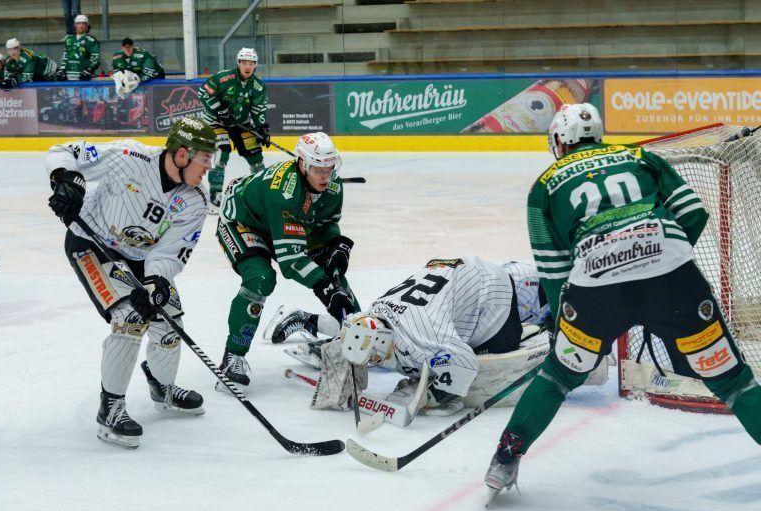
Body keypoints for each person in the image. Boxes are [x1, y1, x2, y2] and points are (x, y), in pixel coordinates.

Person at [484, 103, 761, 502]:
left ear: (559, 141)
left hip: (597, 293)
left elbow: (554, 270)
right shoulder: (639, 156)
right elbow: (693, 212)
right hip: (672, 281)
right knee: (733, 382)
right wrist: (662, 258)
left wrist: (564, 325)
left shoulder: (545, 184)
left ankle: (505, 458)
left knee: (557, 378)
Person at [45, 117, 217, 449]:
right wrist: (66, 179)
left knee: (170, 320)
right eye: (204, 159)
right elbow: (63, 150)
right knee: (130, 318)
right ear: (182, 155)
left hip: (141, 259)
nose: (208, 168)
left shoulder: (196, 198)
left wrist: (155, 283)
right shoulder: (129, 157)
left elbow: (170, 252)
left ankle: (163, 388)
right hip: (92, 245)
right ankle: (110, 409)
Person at [271, 257, 552, 414]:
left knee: (499, 351)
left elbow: (466, 365)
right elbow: (352, 329)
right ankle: (307, 319)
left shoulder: (425, 334)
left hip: (493, 288)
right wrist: (340, 359)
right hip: (455, 273)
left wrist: (430, 396)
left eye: (374, 358)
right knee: (406, 355)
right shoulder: (372, 317)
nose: (374, 362)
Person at [214, 132, 358, 392]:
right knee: (260, 278)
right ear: (302, 164)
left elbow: (327, 224)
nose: (325, 176)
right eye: (318, 170)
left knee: (337, 286)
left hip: (283, 222)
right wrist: (326, 288)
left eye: (329, 168)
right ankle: (232, 357)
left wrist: (336, 246)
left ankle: (321, 325)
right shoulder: (284, 193)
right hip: (244, 223)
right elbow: (291, 261)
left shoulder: (333, 185)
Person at [198, 47, 270, 213]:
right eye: (244, 62)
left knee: (255, 155)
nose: (247, 66)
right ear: (238, 63)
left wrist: (262, 128)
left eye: (251, 63)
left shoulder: (259, 86)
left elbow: (258, 110)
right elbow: (203, 92)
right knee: (222, 151)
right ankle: (215, 194)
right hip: (216, 122)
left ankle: (262, 191)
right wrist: (220, 110)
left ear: (255, 65)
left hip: (240, 123)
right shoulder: (223, 78)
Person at [56, 14, 99, 81]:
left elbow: (95, 59)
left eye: (83, 23)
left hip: (83, 76)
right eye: (78, 23)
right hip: (69, 74)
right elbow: (65, 56)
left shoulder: (91, 40)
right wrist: (62, 69)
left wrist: (89, 70)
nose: (81, 26)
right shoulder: (69, 39)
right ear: (75, 25)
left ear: (87, 25)